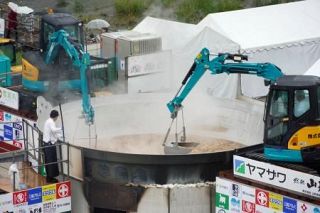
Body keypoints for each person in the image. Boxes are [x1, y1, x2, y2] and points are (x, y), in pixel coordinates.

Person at [43, 110, 62, 183]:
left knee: (48, 161)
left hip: (47, 144)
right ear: (56, 116)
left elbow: (52, 133)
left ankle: (49, 177)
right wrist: (61, 129)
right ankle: (50, 178)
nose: (57, 118)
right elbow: (54, 130)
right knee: (51, 162)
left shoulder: (48, 121)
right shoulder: (51, 122)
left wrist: (59, 135)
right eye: (57, 116)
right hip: (49, 145)